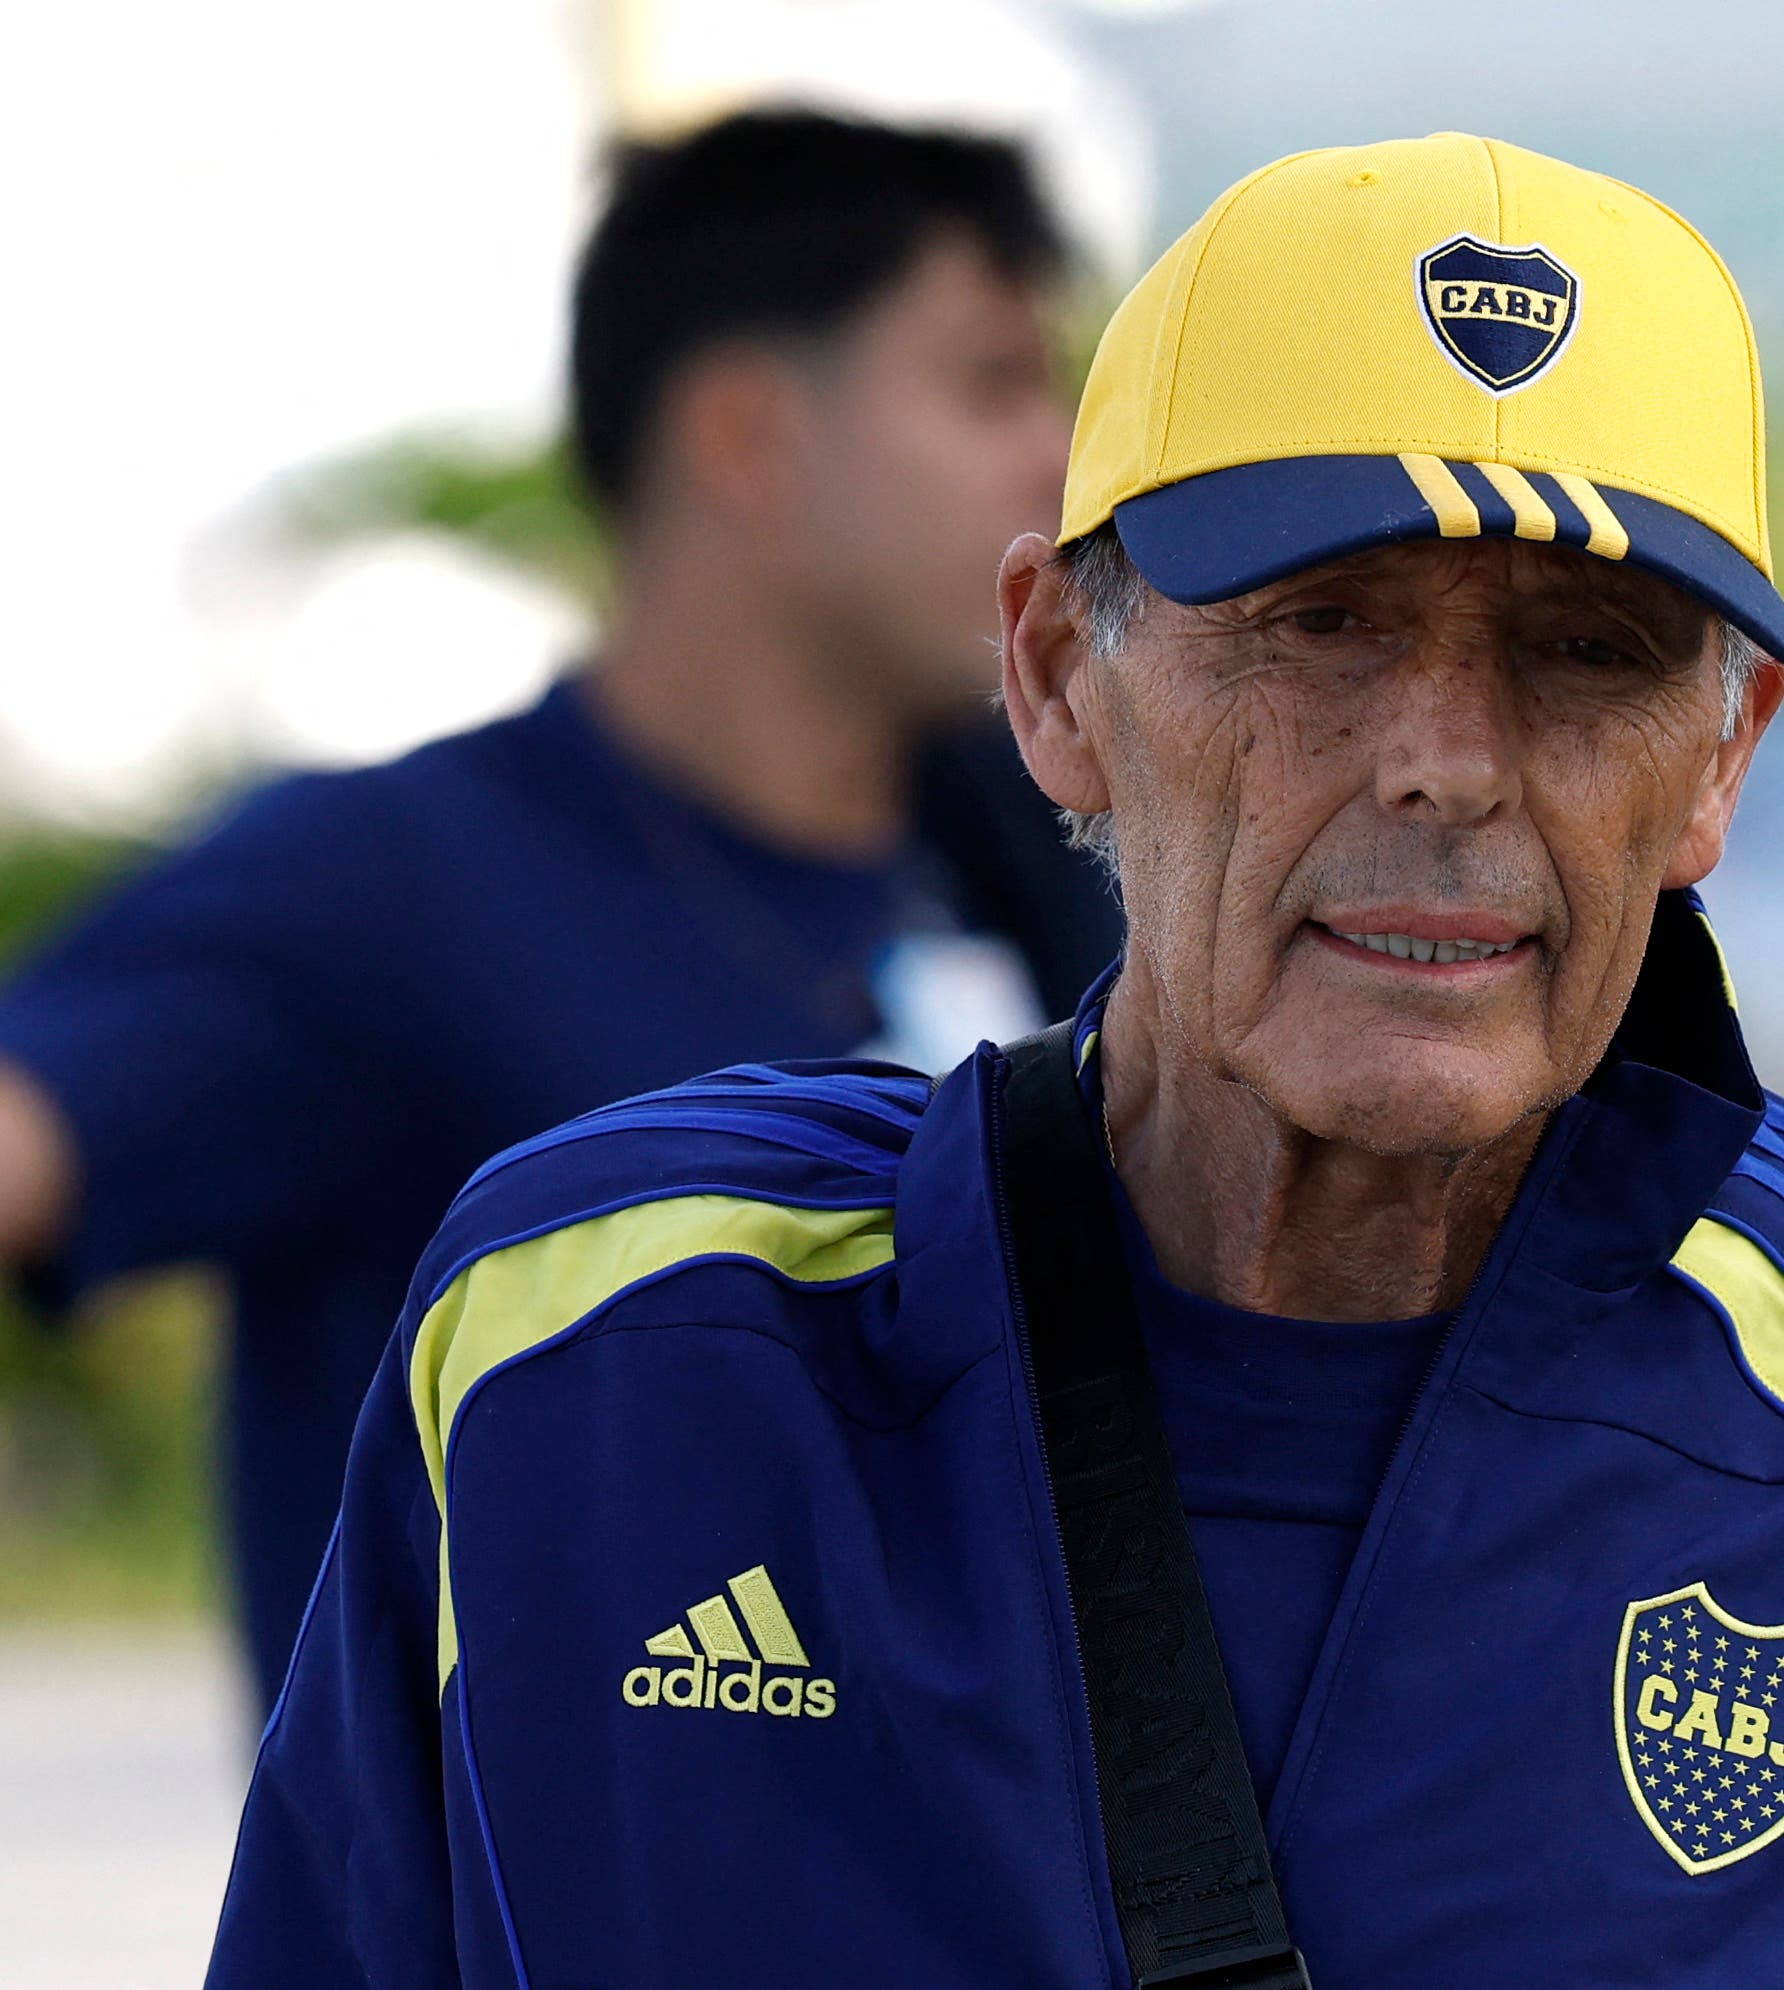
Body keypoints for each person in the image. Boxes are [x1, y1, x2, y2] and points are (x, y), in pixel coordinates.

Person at [207, 134, 1784, 1987]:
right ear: (1057, 671)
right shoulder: (600, 1355)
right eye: (1322, 625)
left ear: (1718, 763)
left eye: (1586, 654)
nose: (1448, 763)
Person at [0, 109, 1117, 1711]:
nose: (1059, 459)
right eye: (990, 382)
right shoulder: (394, 881)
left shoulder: (1060, 848)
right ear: (748, 437)